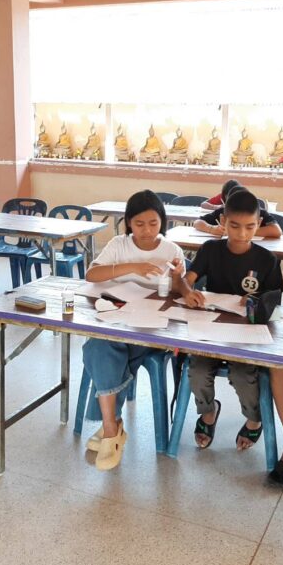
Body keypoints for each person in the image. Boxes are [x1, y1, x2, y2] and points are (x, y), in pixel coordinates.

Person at [81, 190, 185, 471]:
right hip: (117, 320)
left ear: (162, 221)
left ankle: (110, 427)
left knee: (100, 350)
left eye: (153, 223)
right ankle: (111, 427)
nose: (147, 230)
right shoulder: (119, 244)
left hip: (151, 329)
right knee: (98, 345)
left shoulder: (171, 250)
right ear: (128, 223)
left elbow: (180, 292)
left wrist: (179, 278)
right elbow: (91, 275)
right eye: (139, 224)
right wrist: (132, 267)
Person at [178, 188, 283, 452]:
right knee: (198, 369)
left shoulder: (267, 259)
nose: (242, 234)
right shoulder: (210, 249)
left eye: (250, 227)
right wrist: (188, 292)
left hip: (246, 334)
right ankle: (208, 412)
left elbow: (275, 301)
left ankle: (254, 419)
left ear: (259, 224)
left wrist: (256, 302)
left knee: (242, 373)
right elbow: (186, 280)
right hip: (210, 329)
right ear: (223, 221)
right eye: (234, 226)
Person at [194, 186, 282, 238]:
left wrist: (246, 231)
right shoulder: (223, 211)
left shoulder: (258, 212)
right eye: (234, 225)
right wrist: (211, 229)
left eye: (249, 226)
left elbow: (277, 231)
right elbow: (197, 222)